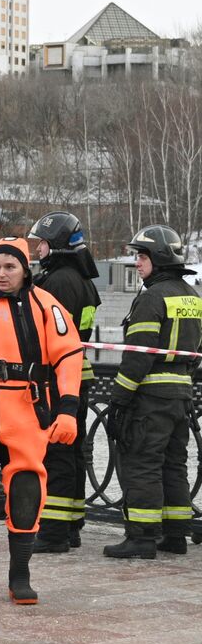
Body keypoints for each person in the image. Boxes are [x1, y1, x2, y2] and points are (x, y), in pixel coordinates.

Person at [0, 237, 82, 604]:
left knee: (26, 487)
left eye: (9, 267)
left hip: (26, 406)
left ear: (25, 269)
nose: (1, 274)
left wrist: (68, 410)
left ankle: (20, 575)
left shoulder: (47, 306)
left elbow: (69, 357)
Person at [103, 225, 202, 559]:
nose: (137, 263)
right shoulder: (193, 296)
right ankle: (176, 534)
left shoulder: (152, 297)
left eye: (141, 256)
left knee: (142, 462)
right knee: (174, 464)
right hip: (182, 396)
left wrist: (119, 399)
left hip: (149, 397)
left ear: (158, 259)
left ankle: (142, 538)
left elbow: (137, 356)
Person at [28, 211, 103, 553]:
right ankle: (71, 523)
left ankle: (54, 531)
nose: (37, 250)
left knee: (55, 451)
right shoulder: (83, 280)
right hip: (77, 375)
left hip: (56, 378)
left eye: (41, 244)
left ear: (55, 245)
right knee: (72, 452)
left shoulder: (57, 282)